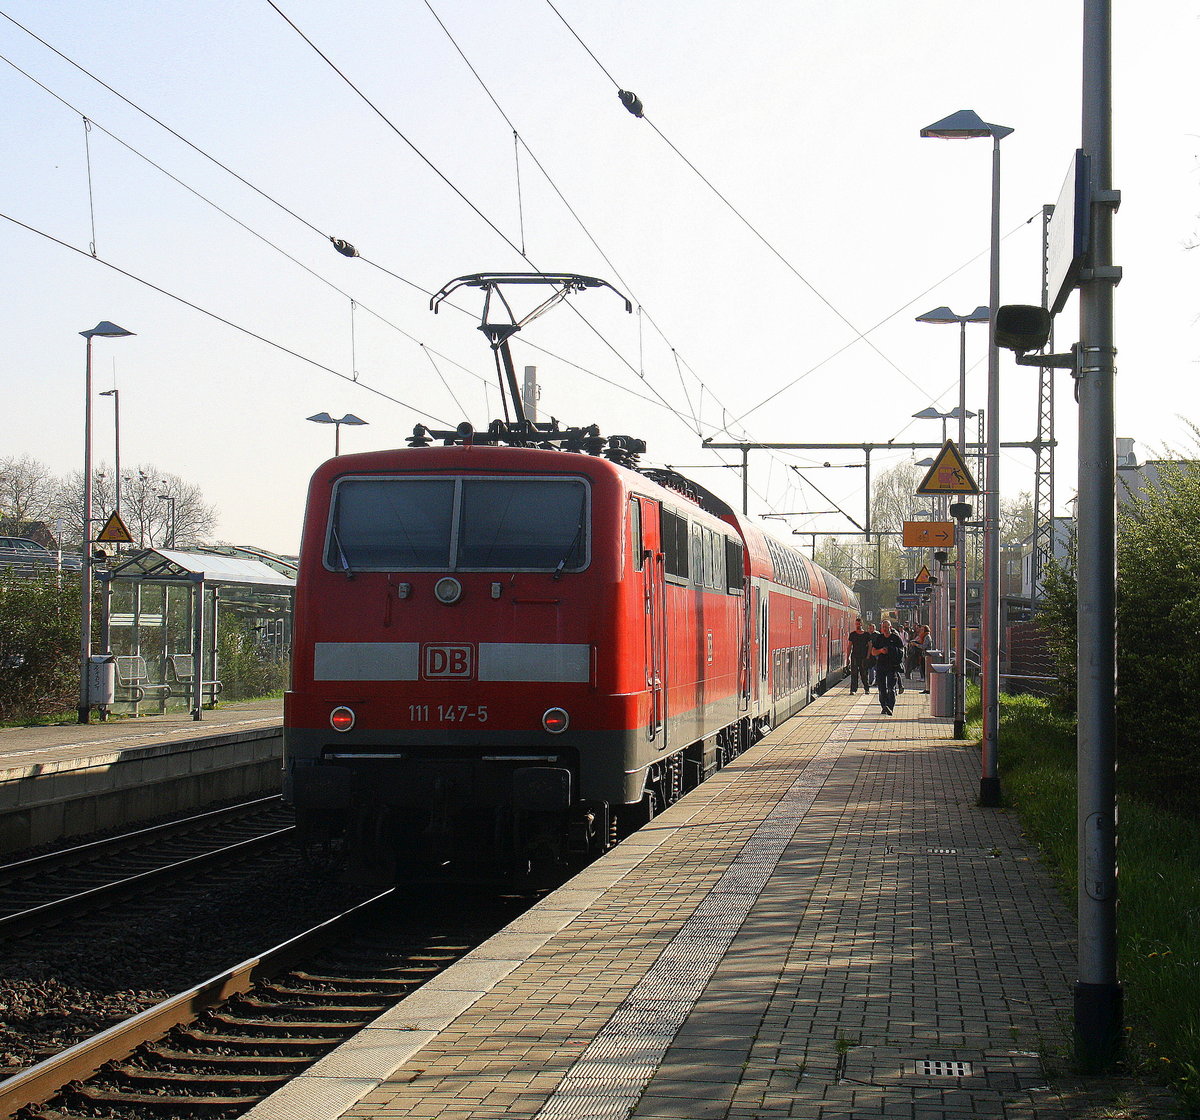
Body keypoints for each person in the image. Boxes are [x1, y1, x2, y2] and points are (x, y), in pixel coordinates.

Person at [868, 619, 905, 715]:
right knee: (881, 688)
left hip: (892, 666)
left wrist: (890, 650)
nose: (884, 629)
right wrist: (880, 651)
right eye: (883, 627)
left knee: (891, 687)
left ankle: (890, 706)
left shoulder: (896, 638)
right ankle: (884, 706)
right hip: (881, 665)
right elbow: (873, 652)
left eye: (886, 627)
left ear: (890, 627)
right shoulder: (879, 638)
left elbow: (901, 651)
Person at [846, 618, 872, 694]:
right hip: (854, 656)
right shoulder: (852, 634)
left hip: (863, 656)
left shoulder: (866, 634)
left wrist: (868, 656)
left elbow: (870, 645)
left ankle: (866, 688)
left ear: (862, 624)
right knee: (854, 674)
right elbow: (849, 646)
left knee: (864, 673)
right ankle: (853, 689)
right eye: (856, 623)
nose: (858, 625)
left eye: (859, 623)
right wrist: (847, 657)